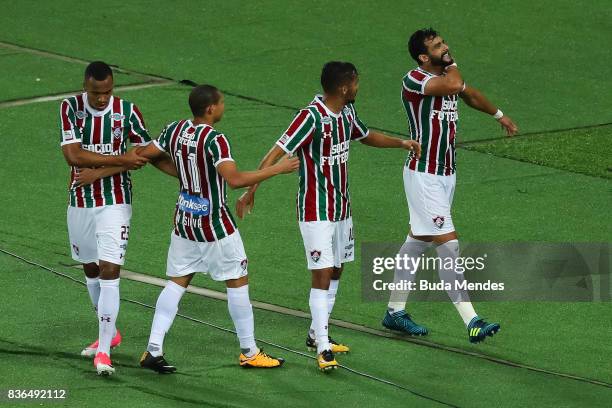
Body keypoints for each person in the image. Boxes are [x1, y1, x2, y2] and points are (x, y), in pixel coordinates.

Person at [236, 62, 421, 371]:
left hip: (341, 209)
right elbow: (276, 152)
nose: (359, 87)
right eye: (356, 83)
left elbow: (365, 135)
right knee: (321, 275)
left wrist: (401, 143)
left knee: (336, 270)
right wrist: (251, 188)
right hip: (315, 210)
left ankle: (315, 333)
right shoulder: (310, 117)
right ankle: (323, 348)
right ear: (344, 87)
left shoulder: (346, 114)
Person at [135, 84, 298, 373]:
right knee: (237, 281)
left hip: (184, 222)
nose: (224, 106)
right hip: (214, 225)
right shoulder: (215, 140)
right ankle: (249, 351)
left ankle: (153, 349)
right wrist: (279, 169)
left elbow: (145, 153)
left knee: (176, 282)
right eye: (222, 103)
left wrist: (185, 174)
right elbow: (234, 180)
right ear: (211, 109)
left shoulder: (174, 129)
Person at [383, 28, 518, 343]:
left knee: (417, 242)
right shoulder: (415, 79)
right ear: (422, 56)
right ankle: (472, 320)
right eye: (437, 46)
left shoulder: (446, 76)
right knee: (449, 245)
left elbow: (467, 93)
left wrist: (499, 115)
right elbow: (456, 84)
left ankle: (394, 311)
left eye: (444, 43)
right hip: (423, 173)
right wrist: (451, 61)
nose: (445, 48)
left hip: (446, 175)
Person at [59, 61, 175, 375]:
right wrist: (121, 158)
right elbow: (73, 155)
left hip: (116, 201)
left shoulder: (127, 112)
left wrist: (186, 178)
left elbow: (147, 154)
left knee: (110, 269)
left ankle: (105, 352)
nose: (102, 98)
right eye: (97, 93)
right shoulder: (69, 108)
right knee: (91, 267)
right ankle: (110, 333)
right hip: (80, 200)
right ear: (86, 86)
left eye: (108, 91)